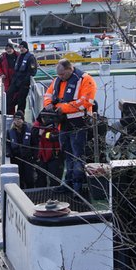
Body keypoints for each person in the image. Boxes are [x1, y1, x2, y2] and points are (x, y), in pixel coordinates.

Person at [43, 59, 97, 194]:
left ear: (69, 69)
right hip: (63, 124)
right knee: (67, 155)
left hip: (79, 124)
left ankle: (78, 186)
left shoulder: (85, 79)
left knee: (78, 155)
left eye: (62, 74)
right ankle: (68, 184)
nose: (60, 77)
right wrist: (48, 104)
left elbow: (85, 101)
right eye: (59, 74)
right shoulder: (57, 80)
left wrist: (63, 108)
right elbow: (48, 94)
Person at [31, 112, 64, 187]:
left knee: (55, 179)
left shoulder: (58, 125)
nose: (44, 119)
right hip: (41, 156)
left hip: (55, 155)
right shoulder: (37, 127)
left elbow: (59, 136)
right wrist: (40, 133)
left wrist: (48, 135)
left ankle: (55, 192)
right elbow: (34, 135)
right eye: (43, 117)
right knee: (40, 179)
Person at [7, 41, 38, 115]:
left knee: (21, 99)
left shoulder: (31, 58)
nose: (21, 49)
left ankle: (20, 114)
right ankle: (7, 110)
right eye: (20, 47)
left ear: (26, 48)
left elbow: (32, 71)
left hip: (24, 82)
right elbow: (16, 69)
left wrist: (25, 81)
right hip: (16, 81)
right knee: (9, 94)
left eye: (22, 47)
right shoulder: (19, 56)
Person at [6, 110, 35, 188]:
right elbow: (7, 144)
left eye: (19, 119)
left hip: (27, 158)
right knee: (19, 178)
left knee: (29, 178)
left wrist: (34, 155)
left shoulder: (29, 130)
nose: (17, 121)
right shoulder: (9, 131)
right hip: (16, 158)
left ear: (23, 120)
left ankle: (30, 191)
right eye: (15, 119)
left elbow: (34, 143)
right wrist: (8, 152)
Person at [0, 43, 18, 112]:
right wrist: (1, 74)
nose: (8, 50)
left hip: (17, 79)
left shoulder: (18, 56)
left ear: (13, 49)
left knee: (16, 96)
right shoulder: (3, 57)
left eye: (10, 48)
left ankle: (17, 112)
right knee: (8, 96)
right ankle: (9, 112)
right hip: (7, 80)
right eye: (7, 49)